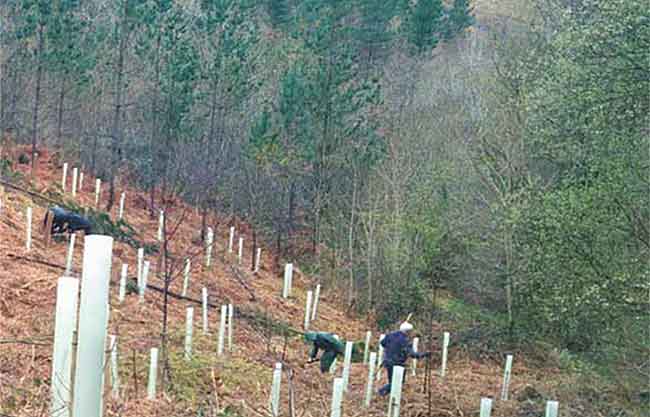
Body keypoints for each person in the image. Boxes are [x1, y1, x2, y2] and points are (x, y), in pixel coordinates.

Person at [378, 322, 430, 396]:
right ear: (408, 331)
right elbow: (412, 354)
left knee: (392, 381)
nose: (411, 333)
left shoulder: (390, 335)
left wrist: (390, 349)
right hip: (397, 364)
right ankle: (382, 392)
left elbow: (382, 343)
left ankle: (388, 396)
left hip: (387, 361)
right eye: (411, 331)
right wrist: (424, 354)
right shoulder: (405, 341)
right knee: (398, 382)